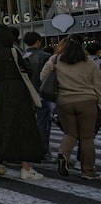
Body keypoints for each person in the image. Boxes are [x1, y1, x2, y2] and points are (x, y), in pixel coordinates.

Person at [0, 24, 44, 180]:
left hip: (0, 91)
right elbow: (26, 70)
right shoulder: (13, 51)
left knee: (1, 124)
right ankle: (26, 168)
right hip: (17, 90)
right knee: (24, 126)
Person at [40, 33, 101, 180]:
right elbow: (98, 84)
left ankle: (63, 154)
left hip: (64, 101)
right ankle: (88, 171)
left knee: (70, 133)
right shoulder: (89, 62)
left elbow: (43, 77)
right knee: (86, 137)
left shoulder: (55, 60)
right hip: (87, 101)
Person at [23, 31, 55, 161]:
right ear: (38, 41)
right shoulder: (45, 56)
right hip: (42, 92)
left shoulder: (21, 55)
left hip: (26, 93)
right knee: (43, 122)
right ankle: (43, 151)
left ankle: (30, 149)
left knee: (29, 122)